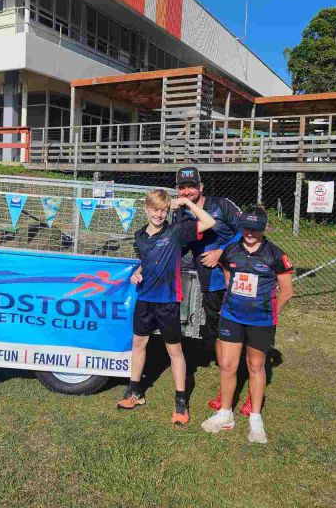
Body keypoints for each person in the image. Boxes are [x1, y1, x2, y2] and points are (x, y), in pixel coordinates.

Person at [117, 189, 215, 424]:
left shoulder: (176, 232)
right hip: (144, 300)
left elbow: (209, 222)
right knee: (138, 344)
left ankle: (181, 402)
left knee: (175, 351)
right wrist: (137, 274)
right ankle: (134, 392)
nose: (159, 215)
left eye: (163, 210)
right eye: (154, 210)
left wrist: (186, 204)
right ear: (146, 209)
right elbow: (146, 263)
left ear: (168, 210)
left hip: (168, 301)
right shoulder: (139, 235)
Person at [201, 206, 294, 444]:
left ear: (264, 228)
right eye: (246, 227)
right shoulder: (231, 250)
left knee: (255, 366)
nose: (250, 232)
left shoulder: (275, 254)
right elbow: (227, 275)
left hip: (260, 321)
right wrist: (229, 301)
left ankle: (255, 419)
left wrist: (271, 312)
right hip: (232, 316)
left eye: (255, 228)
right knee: (228, 365)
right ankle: (225, 413)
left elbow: (287, 291)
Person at [172, 166, 249, 413]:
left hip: (236, 280)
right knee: (219, 333)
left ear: (201, 187)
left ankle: (249, 387)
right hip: (210, 283)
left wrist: (220, 252)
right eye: (182, 187)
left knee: (242, 334)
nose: (187, 191)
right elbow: (180, 245)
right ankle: (229, 383)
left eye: (191, 185)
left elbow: (246, 231)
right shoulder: (181, 215)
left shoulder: (222, 205)